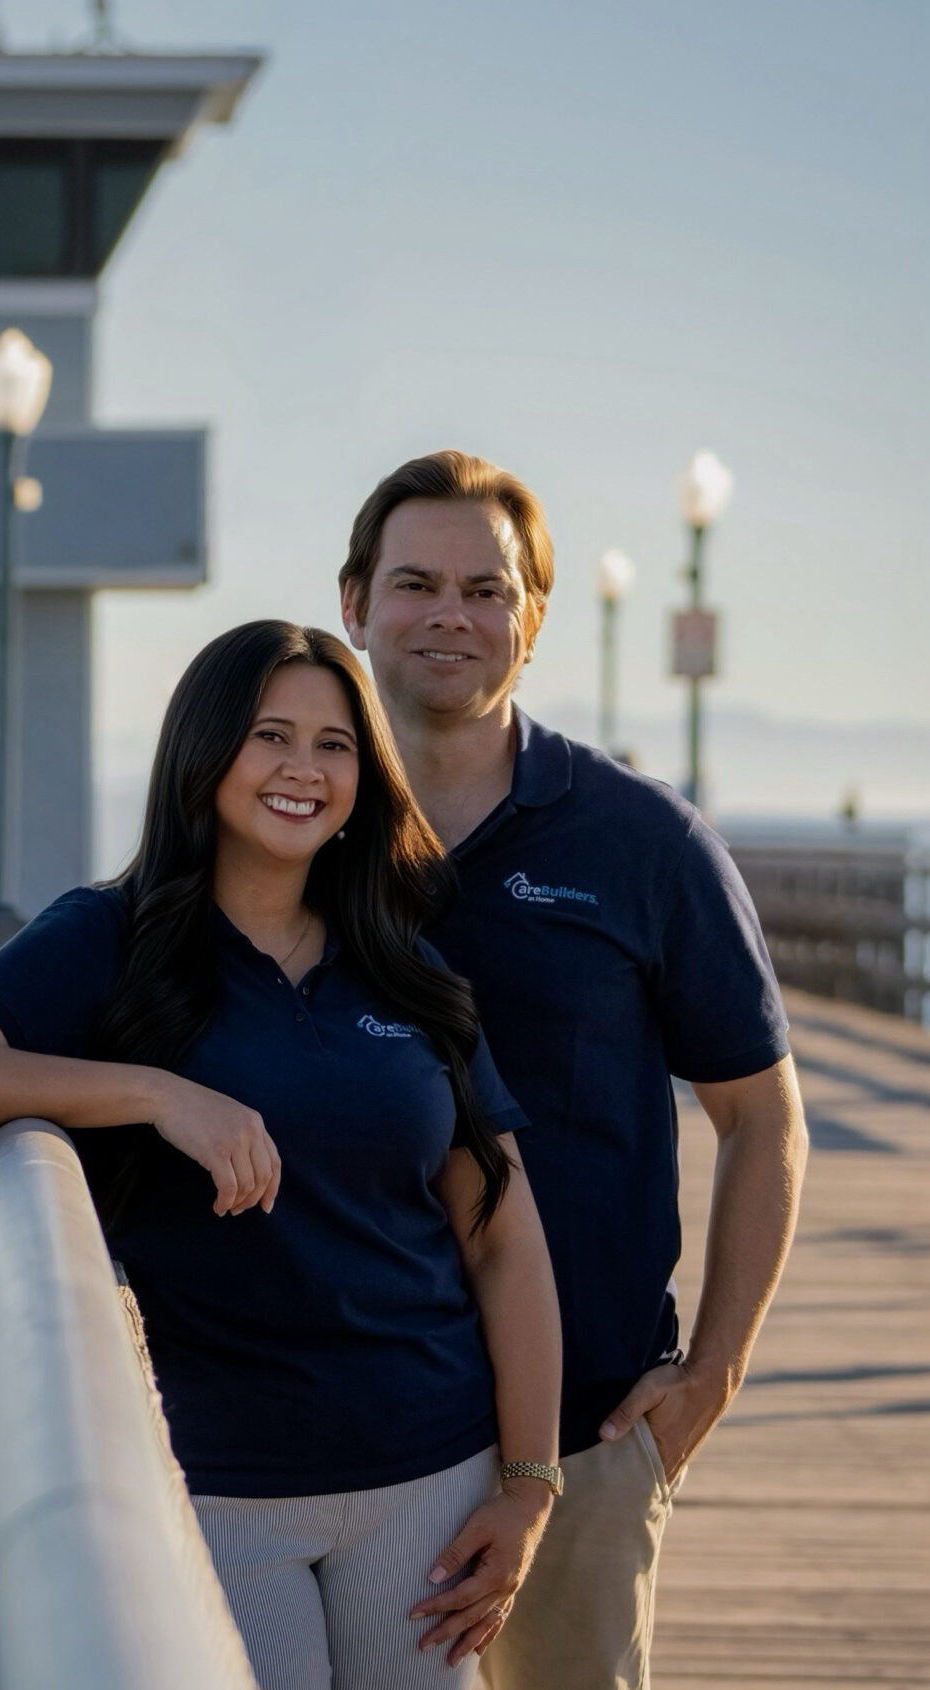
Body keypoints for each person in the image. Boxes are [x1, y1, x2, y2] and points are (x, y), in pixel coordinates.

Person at [0, 620, 563, 1688]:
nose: (302, 769)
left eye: (334, 745)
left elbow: (502, 1232)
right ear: (205, 755)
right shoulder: (111, 936)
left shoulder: (401, 962)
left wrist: (527, 1483)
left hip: (431, 1477)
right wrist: (154, 1093)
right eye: (268, 735)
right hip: (223, 1485)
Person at [338, 451, 809, 1689]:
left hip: (588, 1434)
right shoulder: (295, 828)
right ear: (354, 604)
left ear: (534, 620)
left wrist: (712, 1373)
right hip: (340, 1438)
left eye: (487, 590)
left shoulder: (642, 840)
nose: (451, 614)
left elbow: (762, 1118)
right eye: (415, 583)